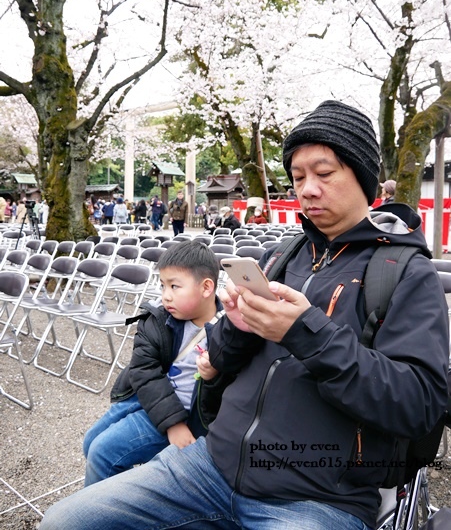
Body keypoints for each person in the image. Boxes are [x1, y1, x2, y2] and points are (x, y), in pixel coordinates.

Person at [39, 100, 449, 530]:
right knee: (64, 521)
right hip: (209, 465)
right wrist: (234, 325)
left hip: (318, 498)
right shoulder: (280, 257)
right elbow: (219, 359)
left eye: (324, 173)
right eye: (298, 177)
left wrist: (306, 333)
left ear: (364, 178)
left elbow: (420, 404)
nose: (308, 189)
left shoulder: (405, 273)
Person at [82, 241, 223, 486]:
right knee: (90, 443)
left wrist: (178, 423)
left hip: (187, 411)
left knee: (102, 453)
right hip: (146, 396)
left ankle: (108, 513)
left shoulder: (229, 330)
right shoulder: (156, 318)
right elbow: (143, 370)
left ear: (206, 287)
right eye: (163, 285)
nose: (165, 295)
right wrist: (172, 423)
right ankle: (126, 492)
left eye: (174, 286)